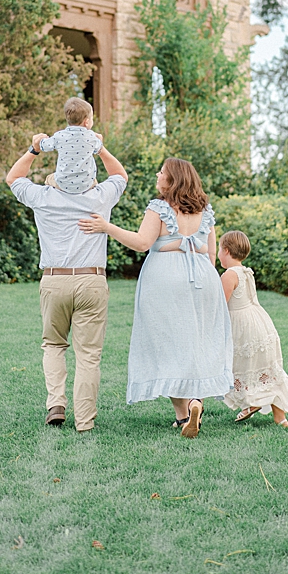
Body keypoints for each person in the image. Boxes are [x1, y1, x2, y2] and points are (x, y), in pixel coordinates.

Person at [78, 157, 232, 438]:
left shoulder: (160, 208)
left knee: (167, 342)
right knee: (198, 341)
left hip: (166, 276)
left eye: (162, 172)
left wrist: (106, 227)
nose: (157, 175)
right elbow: (211, 253)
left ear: (171, 180)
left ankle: (183, 414)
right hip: (203, 278)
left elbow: (142, 243)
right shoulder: (205, 211)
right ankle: (195, 401)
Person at [6, 131, 128, 432]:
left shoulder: (44, 196)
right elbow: (120, 174)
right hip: (92, 280)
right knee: (88, 355)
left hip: (54, 280)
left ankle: (56, 404)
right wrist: (98, 146)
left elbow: (13, 177)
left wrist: (34, 150)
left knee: (53, 345)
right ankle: (85, 421)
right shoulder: (100, 196)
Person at [217, 231, 288, 428]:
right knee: (268, 370)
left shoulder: (229, 275)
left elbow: (220, 306)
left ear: (226, 251)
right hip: (260, 323)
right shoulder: (246, 271)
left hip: (243, 328)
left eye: (220, 249)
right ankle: (281, 418)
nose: (218, 253)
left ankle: (252, 402)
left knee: (244, 367)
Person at [35, 97, 104, 193]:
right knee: (94, 181)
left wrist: (41, 140)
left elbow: (44, 146)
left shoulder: (59, 136)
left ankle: (52, 196)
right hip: (86, 185)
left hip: (63, 184)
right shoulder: (91, 137)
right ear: (87, 122)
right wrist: (99, 140)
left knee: (49, 178)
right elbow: (98, 149)